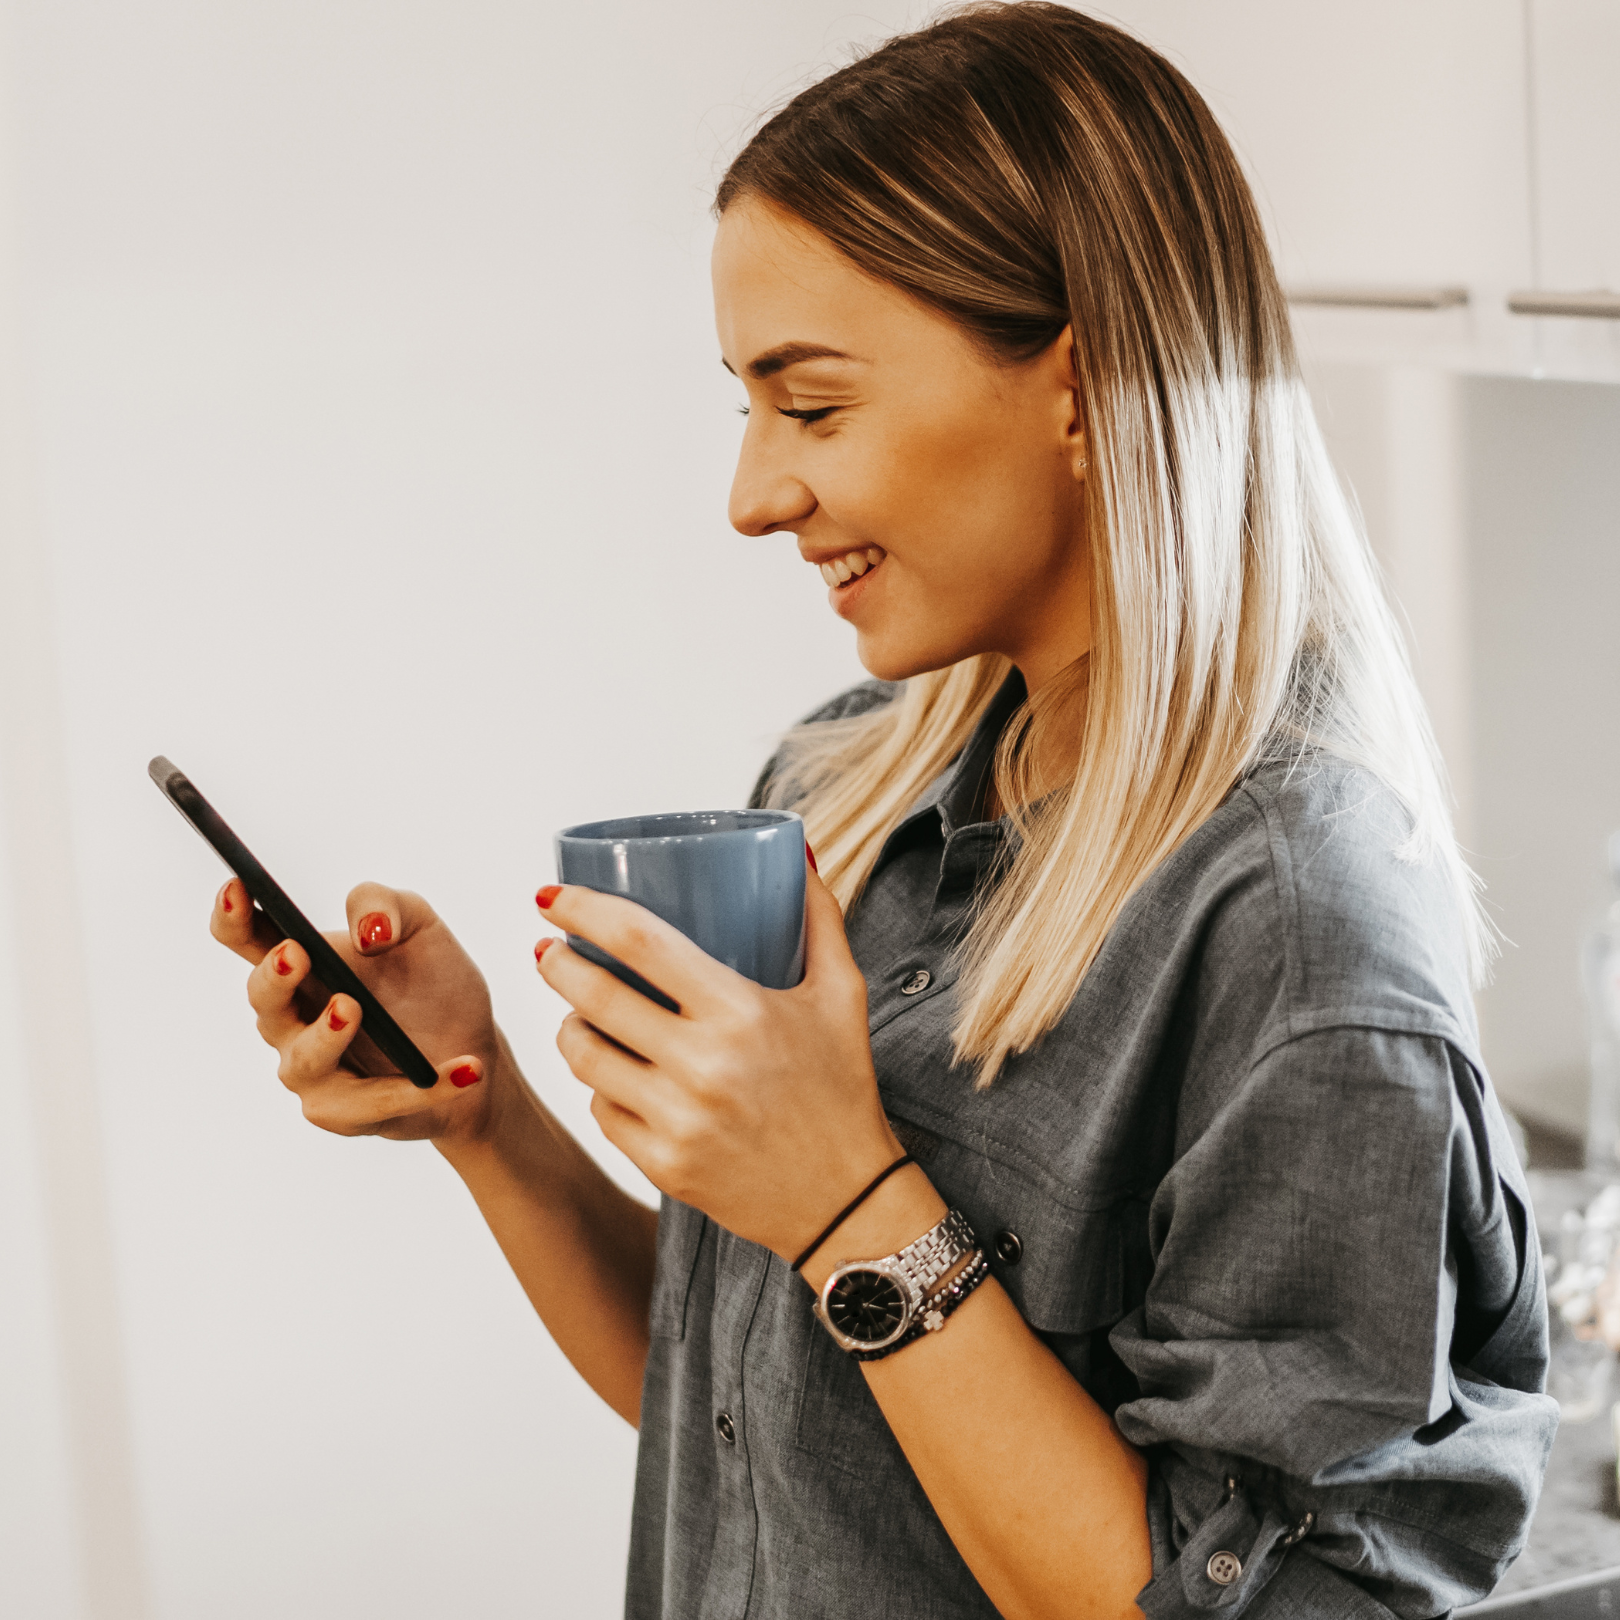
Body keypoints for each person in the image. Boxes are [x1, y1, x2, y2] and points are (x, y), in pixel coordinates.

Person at [207, 6, 1556, 1616]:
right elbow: (758, 1416)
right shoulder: (848, 781)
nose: (752, 494)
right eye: (748, 405)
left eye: (815, 405)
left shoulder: (1295, 918)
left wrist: (851, 1198)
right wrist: (483, 1121)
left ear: (1084, 379)